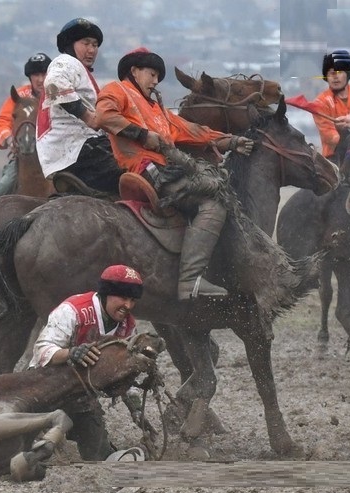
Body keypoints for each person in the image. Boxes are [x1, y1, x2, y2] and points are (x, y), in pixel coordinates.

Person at [96, 47, 254, 300]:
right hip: (146, 170)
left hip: (167, 169)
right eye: (152, 73)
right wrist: (142, 135)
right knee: (215, 204)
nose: (156, 80)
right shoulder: (117, 90)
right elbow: (103, 116)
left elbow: (192, 130)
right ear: (134, 71)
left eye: (158, 75)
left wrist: (230, 141)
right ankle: (190, 281)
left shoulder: (158, 110)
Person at [28, 264, 146, 462]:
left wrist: (136, 410)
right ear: (106, 293)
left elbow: (125, 372)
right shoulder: (73, 310)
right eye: (123, 298)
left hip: (81, 395)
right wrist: (71, 353)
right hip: (42, 385)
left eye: (132, 300)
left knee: (98, 456)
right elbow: (41, 350)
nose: (128, 305)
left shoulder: (128, 327)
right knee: (24, 449)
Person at [36, 18, 121, 196]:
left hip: (72, 150)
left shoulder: (79, 71)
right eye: (86, 43)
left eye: (95, 44)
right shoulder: (66, 62)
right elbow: (54, 84)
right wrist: (88, 116)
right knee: (140, 170)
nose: (92, 50)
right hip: (80, 148)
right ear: (70, 45)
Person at [0, 52, 52, 198]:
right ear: (30, 77)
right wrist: (10, 139)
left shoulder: (58, 95)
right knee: (3, 188)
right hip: (23, 156)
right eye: (36, 75)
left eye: (44, 74)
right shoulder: (19, 95)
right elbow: (1, 121)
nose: (40, 80)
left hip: (55, 156)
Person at [311, 49, 350, 160]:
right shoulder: (320, 102)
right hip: (335, 157)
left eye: (339, 72)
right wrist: (347, 133)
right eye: (331, 73)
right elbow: (329, 136)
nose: (335, 77)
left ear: (347, 75)